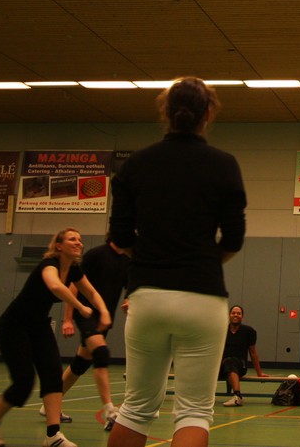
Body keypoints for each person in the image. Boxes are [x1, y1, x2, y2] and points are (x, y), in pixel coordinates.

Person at [107, 77, 247, 447]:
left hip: (147, 296)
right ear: (208, 114)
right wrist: (204, 262)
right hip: (203, 297)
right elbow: (233, 239)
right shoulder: (224, 165)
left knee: (135, 408)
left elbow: (120, 236)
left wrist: (150, 259)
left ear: (165, 112)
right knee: (195, 411)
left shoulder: (136, 164)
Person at [0, 227, 111, 447]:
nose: (78, 243)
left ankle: (53, 435)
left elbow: (91, 292)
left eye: (80, 239)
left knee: (53, 375)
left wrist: (104, 311)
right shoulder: (49, 265)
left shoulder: (74, 269)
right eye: (72, 239)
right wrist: (79, 307)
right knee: (23, 383)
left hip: (39, 325)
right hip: (14, 326)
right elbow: (55, 286)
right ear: (59, 245)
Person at [56, 233, 131, 431]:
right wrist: (68, 319)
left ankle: (51, 404)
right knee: (101, 353)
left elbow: (129, 289)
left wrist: (128, 301)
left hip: (104, 319)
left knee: (80, 364)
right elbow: (74, 286)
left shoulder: (126, 261)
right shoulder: (96, 255)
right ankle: (110, 411)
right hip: (85, 313)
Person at [219, 305, 269, 406]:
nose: (236, 315)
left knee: (230, 361)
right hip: (222, 367)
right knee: (225, 362)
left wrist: (259, 373)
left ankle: (238, 396)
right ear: (229, 315)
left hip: (240, 366)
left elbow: (253, 353)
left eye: (238, 313)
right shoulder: (221, 330)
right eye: (233, 313)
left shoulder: (249, 331)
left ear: (242, 316)